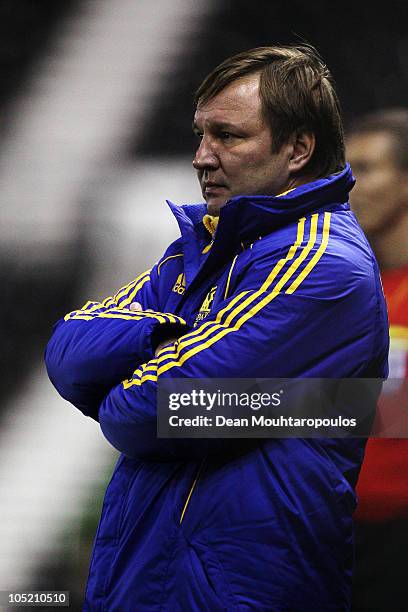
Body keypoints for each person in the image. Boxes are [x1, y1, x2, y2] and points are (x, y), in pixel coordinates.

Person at [45, 45, 388, 611]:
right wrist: (163, 340)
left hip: (236, 590)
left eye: (227, 136)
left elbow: (150, 413)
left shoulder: (322, 264)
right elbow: (65, 350)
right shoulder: (206, 245)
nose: (202, 157)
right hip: (148, 576)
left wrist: (129, 377)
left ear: (298, 148)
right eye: (201, 135)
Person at [347, 109, 408, 612]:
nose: (348, 185)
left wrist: (210, 409)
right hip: (337, 534)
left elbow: (394, 410)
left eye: (365, 169)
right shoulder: (348, 290)